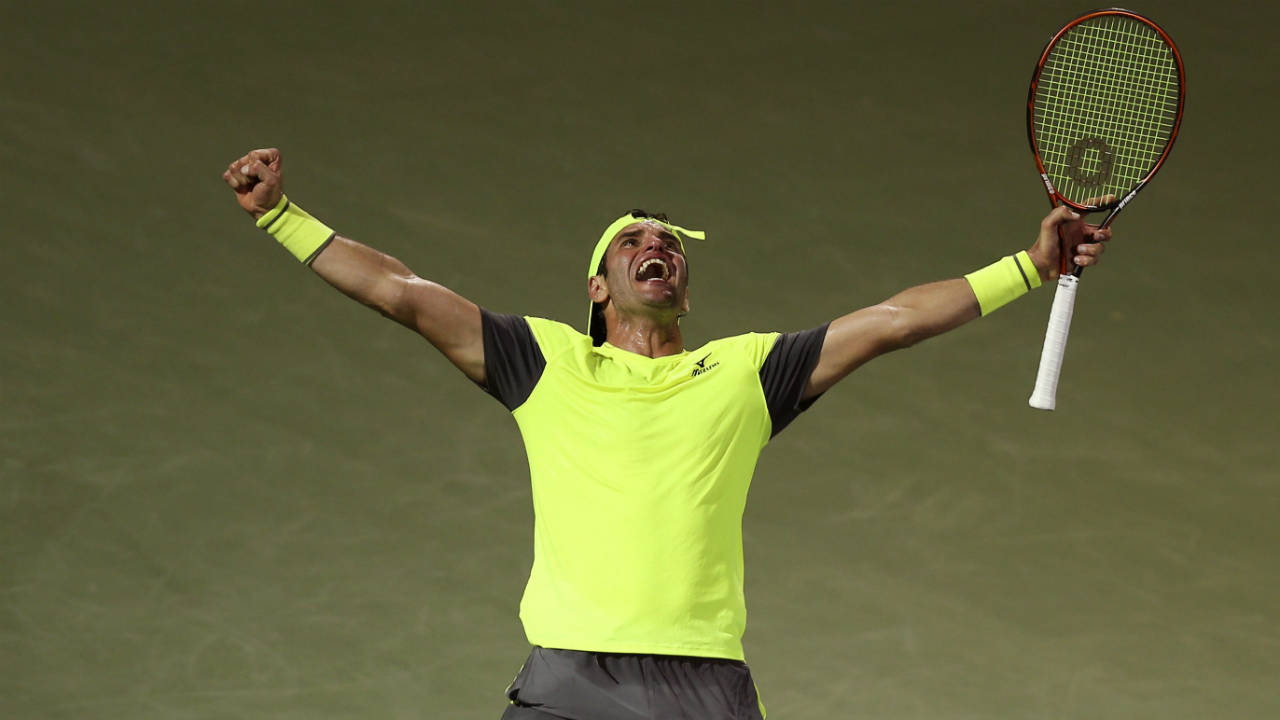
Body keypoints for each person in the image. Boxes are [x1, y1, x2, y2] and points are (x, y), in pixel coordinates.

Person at [222, 147, 1110, 720]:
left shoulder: (745, 373)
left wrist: (1029, 267)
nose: (659, 245)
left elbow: (890, 321)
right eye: (634, 241)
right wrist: (281, 215)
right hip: (567, 679)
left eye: (672, 245)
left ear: (683, 289)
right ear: (600, 287)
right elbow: (402, 293)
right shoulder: (544, 361)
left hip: (703, 686)